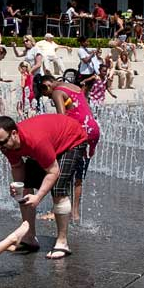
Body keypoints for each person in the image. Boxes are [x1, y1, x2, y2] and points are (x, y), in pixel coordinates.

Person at [0, 114, 88, 259]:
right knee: (26, 185)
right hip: (51, 142)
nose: (0, 147)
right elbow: (17, 166)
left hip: (72, 141)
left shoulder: (35, 140)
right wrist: (19, 190)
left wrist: (38, 197)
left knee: (58, 188)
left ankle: (62, 243)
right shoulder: (7, 145)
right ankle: (29, 237)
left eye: (2, 142)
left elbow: (53, 171)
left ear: (14, 134)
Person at [39, 75, 100, 222]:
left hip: (77, 132)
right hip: (92, 129)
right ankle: (75, 213)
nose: (48, 97)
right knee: (78, 175)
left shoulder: (56, 92)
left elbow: (62, 119)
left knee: (61, 171)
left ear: (47, 85)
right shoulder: (74, 87)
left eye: (45, 94)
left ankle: (56, 211)